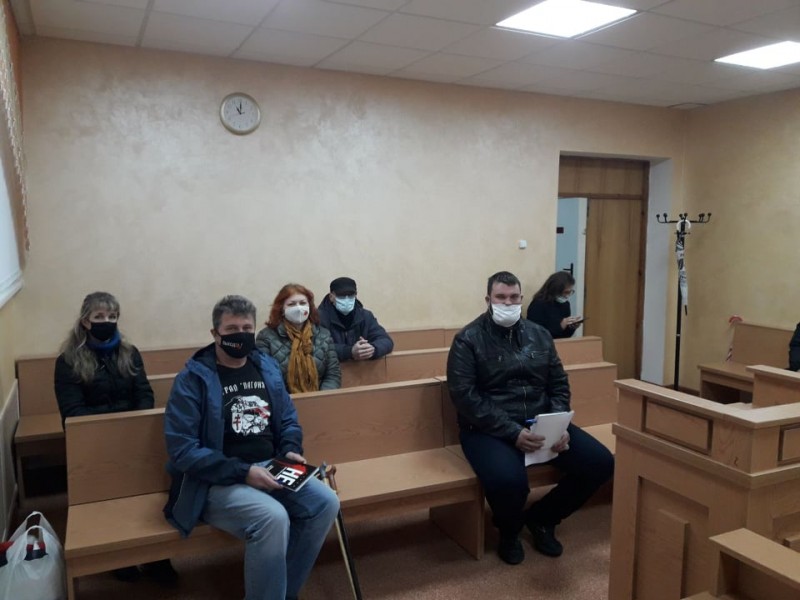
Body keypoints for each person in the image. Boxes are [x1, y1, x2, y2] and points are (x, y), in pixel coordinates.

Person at [164, 295, 339, 600]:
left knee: (326, 502)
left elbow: (288, 419)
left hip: (271, 465)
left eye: (247, 328)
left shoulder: (265, 366)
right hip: (216, 479)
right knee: (272, 517)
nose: (241, 335)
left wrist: (290, 448)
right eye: (232, 329)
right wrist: (244, 472)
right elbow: (183, 450)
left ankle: (282, 593)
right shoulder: (193, 378)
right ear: (215, 333)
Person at [447, 271, 614, 565]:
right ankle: (509, 531)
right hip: (487, 428)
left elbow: (558, 383)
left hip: (541, 422)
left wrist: (558, 423)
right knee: (510, 482)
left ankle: (542, 518)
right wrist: (512, 432)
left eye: (514, 297)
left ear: (522, 298)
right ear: (488, 299)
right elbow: (465, 397)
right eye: (501, 297)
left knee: (600, 463)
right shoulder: (468, 339)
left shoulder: (540, 334)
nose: (508, 303)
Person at [54, 291, 177, 584]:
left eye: (112, 316)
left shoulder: (129, 352)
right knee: (110, 500)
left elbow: (144, 393)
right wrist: (111, 428)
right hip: (93, 442)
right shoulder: (68, 360)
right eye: (99, 316)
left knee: (149, 494)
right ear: (85, 321)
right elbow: (72, 411)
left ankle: (157, 556)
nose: (106, 321)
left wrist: (134, 425)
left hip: (132, 436)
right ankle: (121, 557)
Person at [256, 283, 341, 392]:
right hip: (284, 399)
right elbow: (266, 376)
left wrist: (320, 398)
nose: (298, 308)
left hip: (320, 398)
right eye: (291, 304)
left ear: (309, 306)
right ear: (281, 308)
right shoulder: (266, 337)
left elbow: (333, 374)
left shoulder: (324, 335)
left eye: (302, 303)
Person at [318, 276, 394, 362]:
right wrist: (349, 351)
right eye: (341, 296)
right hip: (332, 368)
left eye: (351, 295)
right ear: (331, 297)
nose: (347, 300)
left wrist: (372, 349)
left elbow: (386, 341)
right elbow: (318, 347)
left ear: (356, 295)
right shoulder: (319, 317)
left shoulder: (365, 316)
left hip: (362, 369)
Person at [526, 271, 583, 339]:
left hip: (561, 343)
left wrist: (572, 327)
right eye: (566, 292)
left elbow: (565, 336)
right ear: (556, 290)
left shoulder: (565, 304)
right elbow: (535, 334)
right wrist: (560, 326)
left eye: (570, 292)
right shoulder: (538, 304)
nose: (567, 296)